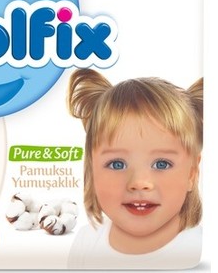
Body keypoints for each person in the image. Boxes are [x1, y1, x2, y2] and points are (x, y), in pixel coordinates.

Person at [66, 69, 203, 269]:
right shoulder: (86, 242)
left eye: (162, 164)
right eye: (117, 164)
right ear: (92, 169)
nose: (139, 183)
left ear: (192, 173)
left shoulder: (203, 251)